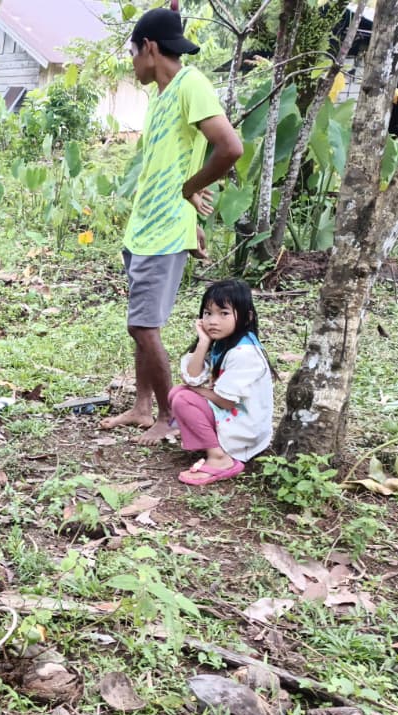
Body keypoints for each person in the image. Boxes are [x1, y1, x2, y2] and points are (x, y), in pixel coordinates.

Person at [100, 4, 244, 444]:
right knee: (140, 323)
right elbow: (172, 164)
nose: (131, 62)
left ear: (149, 47)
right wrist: (189, 212)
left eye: (132, 52)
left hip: (160, 234)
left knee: (143, 327)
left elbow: (229, 147)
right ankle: (143, 407)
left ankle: (169, 416)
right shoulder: (163, 97)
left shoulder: (190, 84)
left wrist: (189, 191)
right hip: (146, 229)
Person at [169, 279, 274, 485]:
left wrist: (196, 390)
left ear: (246, 317)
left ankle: (220, 458)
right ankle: (213, 446)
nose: (213, 321)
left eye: (223, 313)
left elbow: (226, 401)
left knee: (183, 398)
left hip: (245, 428)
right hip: (233, 417)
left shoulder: (245, 353)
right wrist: (203, 342)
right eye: (208, 313)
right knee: (178, 392)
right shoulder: (223, 343)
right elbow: (191, 375)